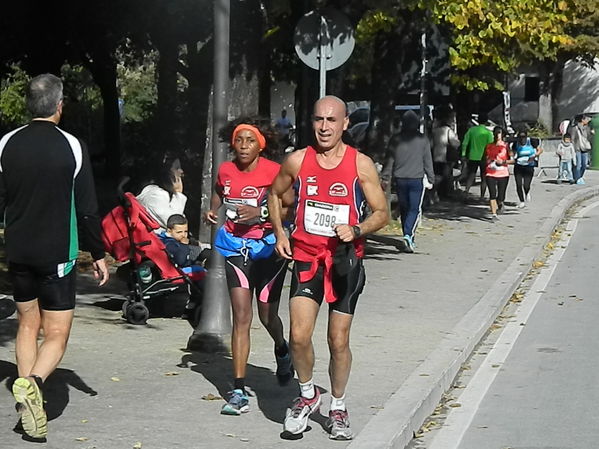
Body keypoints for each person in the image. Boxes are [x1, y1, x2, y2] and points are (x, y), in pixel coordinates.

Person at [268, 96, 389, 440]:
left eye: (331, 120)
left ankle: (338, 405)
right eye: (319, 119)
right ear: (312, 122)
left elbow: (382, 213)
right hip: (307, 259)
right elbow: (274, 194)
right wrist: (280, 233)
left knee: (337, 340)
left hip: (343, 262)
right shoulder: (298, 160)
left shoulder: (360, 165)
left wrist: (357, 229)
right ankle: (308, 396)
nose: (324, 127)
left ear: (345, 123)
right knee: (298, 336)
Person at [0, 74, 109, 440]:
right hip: (56, 253)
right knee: (57, 333)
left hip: (17, 251)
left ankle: (28, 408)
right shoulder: (72, 147)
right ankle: (32, 384)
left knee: (27, 324)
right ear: (59, 106)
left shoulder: (5, 144)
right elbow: (89, 210)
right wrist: (99, 252)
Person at [204, 118, 293, 416]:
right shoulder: (226, 169)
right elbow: (220, 189)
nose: (243, 146)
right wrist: (213, 209)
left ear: (261, 146)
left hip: (269, 248)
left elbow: (290, 203)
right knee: (241, 316)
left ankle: (282, 347)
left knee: (267, 314)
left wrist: (261, 212)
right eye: (239, 141)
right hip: (236, 248)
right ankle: (238, 390)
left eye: (250, 141)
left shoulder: (273, 170)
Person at [381, 110, 435, 253]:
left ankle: (407, 234)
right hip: (416, 179)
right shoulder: (423, 139)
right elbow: (427, 160)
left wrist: (385, 176)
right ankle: (408, 234)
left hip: (400, 179)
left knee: (404, 208)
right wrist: (431, 177)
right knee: (414, 209)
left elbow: (389, 160)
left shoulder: (396, 139)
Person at [137, 156, 187, 230]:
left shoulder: (159, 194)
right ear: (166, 174)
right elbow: (175, 223)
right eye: (176, 168)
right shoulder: (155, 195)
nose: (181, 171)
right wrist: (179, 194)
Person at [460, 112, 493, 198]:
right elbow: (490, 146)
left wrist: (463, 154)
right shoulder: (488, 133)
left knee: (471, 175)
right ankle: (482, 196)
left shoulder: (471, 130)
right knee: (484, 177)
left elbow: (464, 143)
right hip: (484, 157)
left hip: (472, 156)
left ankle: (466, 192)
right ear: (486, 121)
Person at [484, 127, 512, 220]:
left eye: (499, 133)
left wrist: (503, 162)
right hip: (490, 172)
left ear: (502, 134)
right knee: (492, 193)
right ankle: (494, 214)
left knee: (501, 195)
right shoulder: (489, 146)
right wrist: (487, 160)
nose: (497, 135)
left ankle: (500, 203)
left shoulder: (506, 146)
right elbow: (484, 158)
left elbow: (512, 160)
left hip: (503, 173)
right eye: (496, 133)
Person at [431, 110, 460, 199]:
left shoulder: (435, 131)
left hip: (436, 156)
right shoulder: (447, 130)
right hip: (445, 156)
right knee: (446, 176)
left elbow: (431, 144)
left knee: (437, 175)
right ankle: (444, 194)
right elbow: (455, 143)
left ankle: (435, 193)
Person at [511, 130, 543, 208]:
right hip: (518, 166)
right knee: (518, 184)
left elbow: (540, 150)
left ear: (526, 137)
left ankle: (527, 192)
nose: (522, 139)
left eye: (524, 137)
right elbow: (512, 153)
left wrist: (534, 156)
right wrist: (512, 156)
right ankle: (522, 201)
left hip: (529, 165)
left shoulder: (531, 142)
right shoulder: (516, 144)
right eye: (520, 138)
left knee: (526, 185)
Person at [570, 114, 593, 184]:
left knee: (584, 164)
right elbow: (572, 139)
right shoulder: (575, 128)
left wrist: (591, 133)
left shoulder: (587, 128)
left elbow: (588, 138)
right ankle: (577, 178)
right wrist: (573, 148)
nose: (587, 120)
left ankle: (579, 177)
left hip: (585, 148)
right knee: (578, 164)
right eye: (586, 119)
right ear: (582, 120)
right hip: (577, 148)